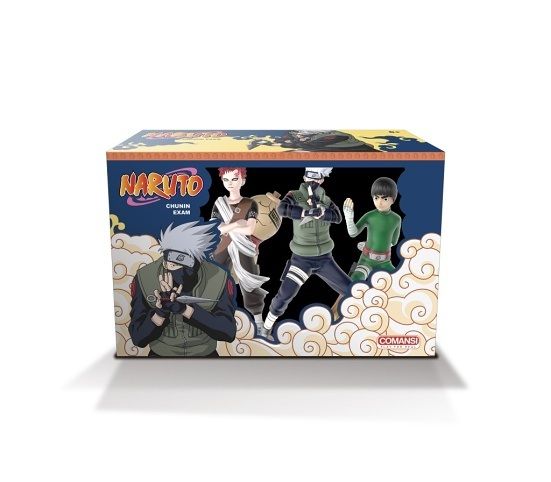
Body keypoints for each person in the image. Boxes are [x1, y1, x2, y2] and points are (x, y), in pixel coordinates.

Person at [129, 221, 237, 357]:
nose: (182, 272)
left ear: (199, 261)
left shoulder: (219, 278)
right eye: (174, 265)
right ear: (165, 261)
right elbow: (138, 338)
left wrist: (185, 310)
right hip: (160, 357)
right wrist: (160, 313)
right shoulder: (145, 278)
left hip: (206, 357)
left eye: (187, 266)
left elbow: (228, 332)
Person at [263, 167, 351, 334]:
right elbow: (282, 209)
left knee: (351, 290)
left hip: (325, 259)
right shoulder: (294, 196)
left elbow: (338, 217)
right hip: (301, 259)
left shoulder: (326, 200)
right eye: (310, 176)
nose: (313, 181)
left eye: (317, 178)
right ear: (304, 177)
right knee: (284, 295)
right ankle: (266, 327)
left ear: (322, 179)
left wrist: (324, 214)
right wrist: (305, 212)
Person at [210, 167, 271, 337]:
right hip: (221, 247)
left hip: (244, 247)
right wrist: (237, 224)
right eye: (226, 180)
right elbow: (215, 228)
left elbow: (249, 229)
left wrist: (227, 227)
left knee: (249, 281)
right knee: (215, 281)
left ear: (243, 181)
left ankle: (259, 323)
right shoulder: (219, 203)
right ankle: (215, 320)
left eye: (234, 179)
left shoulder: (250, 203)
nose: (230, 183)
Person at [343, 177, 402, 281]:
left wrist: (375, 244)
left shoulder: (396, 219)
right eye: (376, 198)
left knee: (399, 280)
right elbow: (353, 233)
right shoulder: (369, 216)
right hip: (366, 260)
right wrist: (349, 218)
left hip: (385, 262)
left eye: (385, 199)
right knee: (355, 280)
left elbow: (394, 241)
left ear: (393, 199)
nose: (379, 202)